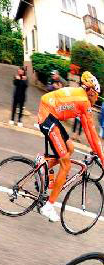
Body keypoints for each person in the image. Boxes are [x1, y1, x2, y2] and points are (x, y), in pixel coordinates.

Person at [37, 71, 104, 222]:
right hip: (47, 115)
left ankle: (43, 164)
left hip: (51, 115)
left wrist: (97, 151)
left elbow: (88, 130)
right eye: (96, 95)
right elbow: (92, 134)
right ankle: (48, 206)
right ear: (91, 92)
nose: (96, 99)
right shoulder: (84, 101)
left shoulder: (81, 98)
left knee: (70, 148)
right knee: (66, 164)